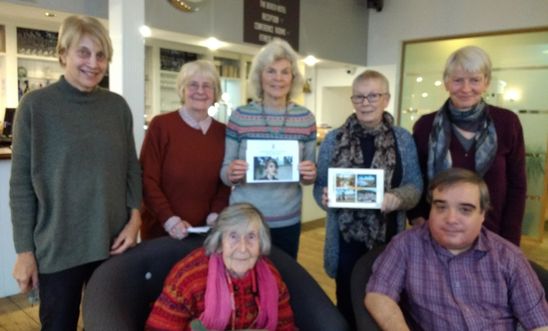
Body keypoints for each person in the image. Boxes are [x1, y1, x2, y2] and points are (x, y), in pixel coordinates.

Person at [10, 16, 142, 330]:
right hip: (58, 249)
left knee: (110, 324)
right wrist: (24, 252)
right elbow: (21, 187)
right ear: (63, 54)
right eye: (83, 53)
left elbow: (131, 169)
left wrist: (135, 219)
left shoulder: (117, 108)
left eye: (101, 55)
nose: (93, 63)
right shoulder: (35, 107)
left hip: (112, 245)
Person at [365, 168, 548, 330]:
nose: (451, 219)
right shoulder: (406, 245)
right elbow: (378, 295)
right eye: (441, 207)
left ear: (482, 214)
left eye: (465, 210)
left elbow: (539, 322)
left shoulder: (509, 257)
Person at [313, 69, 422, 328]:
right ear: (352, 100)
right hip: (345, 243)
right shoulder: (333, 139)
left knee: (386, 303)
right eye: (359, 97)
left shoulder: (402, 139)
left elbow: (415, 186)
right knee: (348, 304)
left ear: (386, 99)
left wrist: (397, 197)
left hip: (388, 241)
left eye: (373, 96)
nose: (366, 103)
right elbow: (319, 186)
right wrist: (325, 198)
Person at [408, 45, 526, 246]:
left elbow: (517, 186)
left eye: (474, 80)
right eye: (457, 80)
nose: (465, 88)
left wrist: (510, 239)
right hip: (439, 233)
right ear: (446, 82)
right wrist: (417, 217)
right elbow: (414, 178)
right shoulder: (425, 126)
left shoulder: (507, 123)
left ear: (486, 82)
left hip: (493, 234)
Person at [220, 38, 317, 258]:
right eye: (271, 71)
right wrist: (232, 173)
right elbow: (225, 172)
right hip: (244, 218)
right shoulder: (240, 116)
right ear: (259, 76)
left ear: (293, 78)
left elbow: (309, 176)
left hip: (287, 219)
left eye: (285, 72)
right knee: (244, 282)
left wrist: (311, 172)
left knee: (283, 281)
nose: (278, 79)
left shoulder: (305, 118)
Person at [145, 203, 296, 331]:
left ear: (261, 244)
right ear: (218, 243)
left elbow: (285, 326)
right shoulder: (189, 279)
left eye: (251, 236)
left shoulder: (271, 278)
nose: (242, 248)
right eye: (233, 236)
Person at [140, 60, 230, 240]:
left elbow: (224, 182)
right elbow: (146, 178)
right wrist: (170, 220)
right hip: (162, 231)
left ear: (216, 93)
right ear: (182, 89)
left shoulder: (223, 132)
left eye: (207, 86)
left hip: (205, 234)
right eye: (193, 85)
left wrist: (215, 216)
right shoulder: (161, 126)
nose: (200, 91)